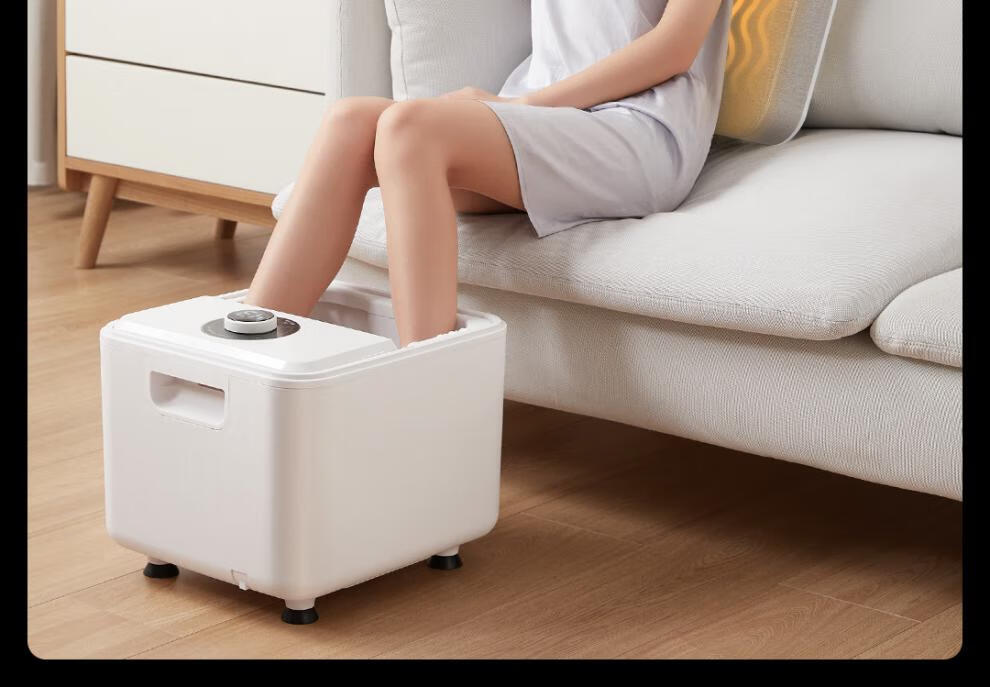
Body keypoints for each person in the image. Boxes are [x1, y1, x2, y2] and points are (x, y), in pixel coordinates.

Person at [245, 0, 732, 347]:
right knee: (350, 123)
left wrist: (520, 106)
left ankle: (427, 396)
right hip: (544, 114)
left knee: (410, 129)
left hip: (637, 130)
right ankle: (240, 357)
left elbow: (674, 47)